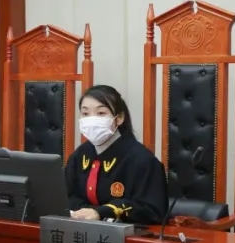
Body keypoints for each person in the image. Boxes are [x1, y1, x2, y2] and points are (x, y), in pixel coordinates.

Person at [65, 85, 167, 224]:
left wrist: (101, 213)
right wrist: (84, 212)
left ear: (119, 118)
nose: (92, 120)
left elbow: (151, 210)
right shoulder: (80, 154)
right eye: (85, 113)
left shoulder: (142, 160)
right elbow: (67, 194)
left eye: (101, 113)